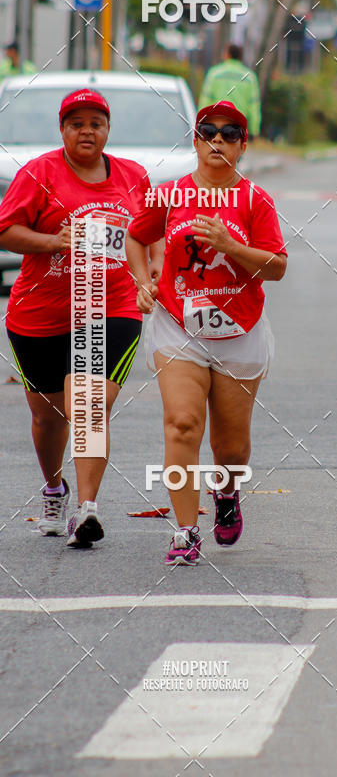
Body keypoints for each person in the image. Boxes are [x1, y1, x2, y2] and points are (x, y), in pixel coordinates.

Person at [126, 100, 287, 566]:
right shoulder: (170, 194)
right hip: (179, 325)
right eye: (208, 131)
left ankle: (227, 490)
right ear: (196, 141)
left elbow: (276, 268)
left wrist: (230, 246)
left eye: (230, 133)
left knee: (230, 447)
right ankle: (184, 531)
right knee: (181, 423)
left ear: (242, 145)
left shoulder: (256, 200)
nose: (218, 140)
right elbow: (137, 237)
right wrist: (143, 281)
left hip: (240, 331)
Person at [0, 89, 150, 547]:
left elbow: (150, 231)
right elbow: (6, 230)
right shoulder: (39, 173)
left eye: (96, 123)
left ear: (108, 129)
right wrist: (54, 242)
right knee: (49, 418)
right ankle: (54, 487)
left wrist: (153, 275)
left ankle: (87, 510)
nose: (87, 130)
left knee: (86, 405)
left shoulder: (133, 176)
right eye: (76, 123)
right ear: (62, 130)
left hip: (111, 306)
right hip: (40, 313)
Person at [198, 45, 261, 139]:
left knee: (215, 151)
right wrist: (254, 129)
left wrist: (200, 122)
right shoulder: (249, 77)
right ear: (240, 57)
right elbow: (253, 105)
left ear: (227, 55)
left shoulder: (214, 73)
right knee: (235, 151)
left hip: (215, 125)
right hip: (237, 126)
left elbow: (205, 99)